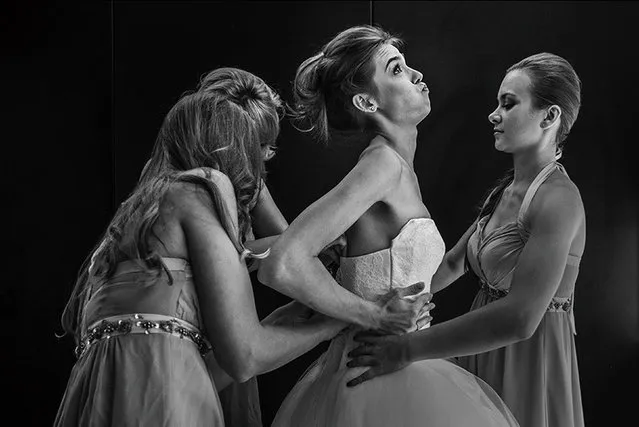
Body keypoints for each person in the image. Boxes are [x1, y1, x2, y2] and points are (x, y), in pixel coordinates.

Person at [54, 67, 426, 427]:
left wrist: (291, 306)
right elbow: (245, 356)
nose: (267, 158)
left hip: (102, 393)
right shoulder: (203, 187)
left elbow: (213, 356)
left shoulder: (141, 211)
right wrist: (345, 317)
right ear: (234, 145)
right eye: (262, 146)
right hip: (163, 400)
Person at [258, 25, 519, 427]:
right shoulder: (380, 165)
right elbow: (283, 262)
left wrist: (484, 234)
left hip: (405, 367)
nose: (416, 75)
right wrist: (375, 316)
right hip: (375, 378)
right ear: (366, 100)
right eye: (396, 69)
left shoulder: (397, 167)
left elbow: (413, 276)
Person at [347, 52, 585, 427]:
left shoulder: (560, 199)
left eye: (508, 104)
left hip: (528, 362)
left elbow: (520, 319)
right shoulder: (504, 192)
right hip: (479, 349)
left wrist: (408, 348)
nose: (494, 115)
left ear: (549, 116)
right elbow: (455, 263)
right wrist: (395, 302)